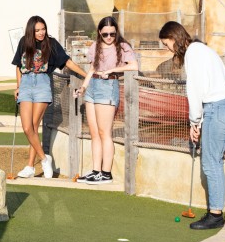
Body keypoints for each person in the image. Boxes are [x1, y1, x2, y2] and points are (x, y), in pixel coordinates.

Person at [159, 21, 225, 230]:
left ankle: (215, 215)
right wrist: (200, 123)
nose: (169, 50)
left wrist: (195, 122)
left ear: (174, 39)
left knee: (210, 164)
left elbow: (195, 90)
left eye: (167, 45)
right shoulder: (204, 49)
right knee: (216, 162)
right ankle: (216, 211)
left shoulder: (193, 54)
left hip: (216, 109)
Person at [11, 15, 86, 178]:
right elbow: (18, 65)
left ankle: (30, 166)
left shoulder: (51, 44)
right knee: (27, 128)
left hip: (42, 83)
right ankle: (45, 159)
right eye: (37, 30)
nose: (40, 33)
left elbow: (67, 62)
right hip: (26, 84)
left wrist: (86, 75)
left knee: (33, 125)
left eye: (43, 29)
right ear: (31, 30)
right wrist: (18, 86)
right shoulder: (24, 42)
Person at [76, 16, 138, 185]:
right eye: (105, 34)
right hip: (93, 87)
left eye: (112, 34)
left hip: (108, 85)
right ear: (99, 33)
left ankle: (106, 173)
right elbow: (92, 69)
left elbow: (133, 66)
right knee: (94, 133)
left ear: (116, 32)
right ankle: (96, 170)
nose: (109, 37)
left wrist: (113, 69)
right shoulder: (95, 46)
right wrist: (83, 87)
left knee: (105, 132)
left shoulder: (123, 47)